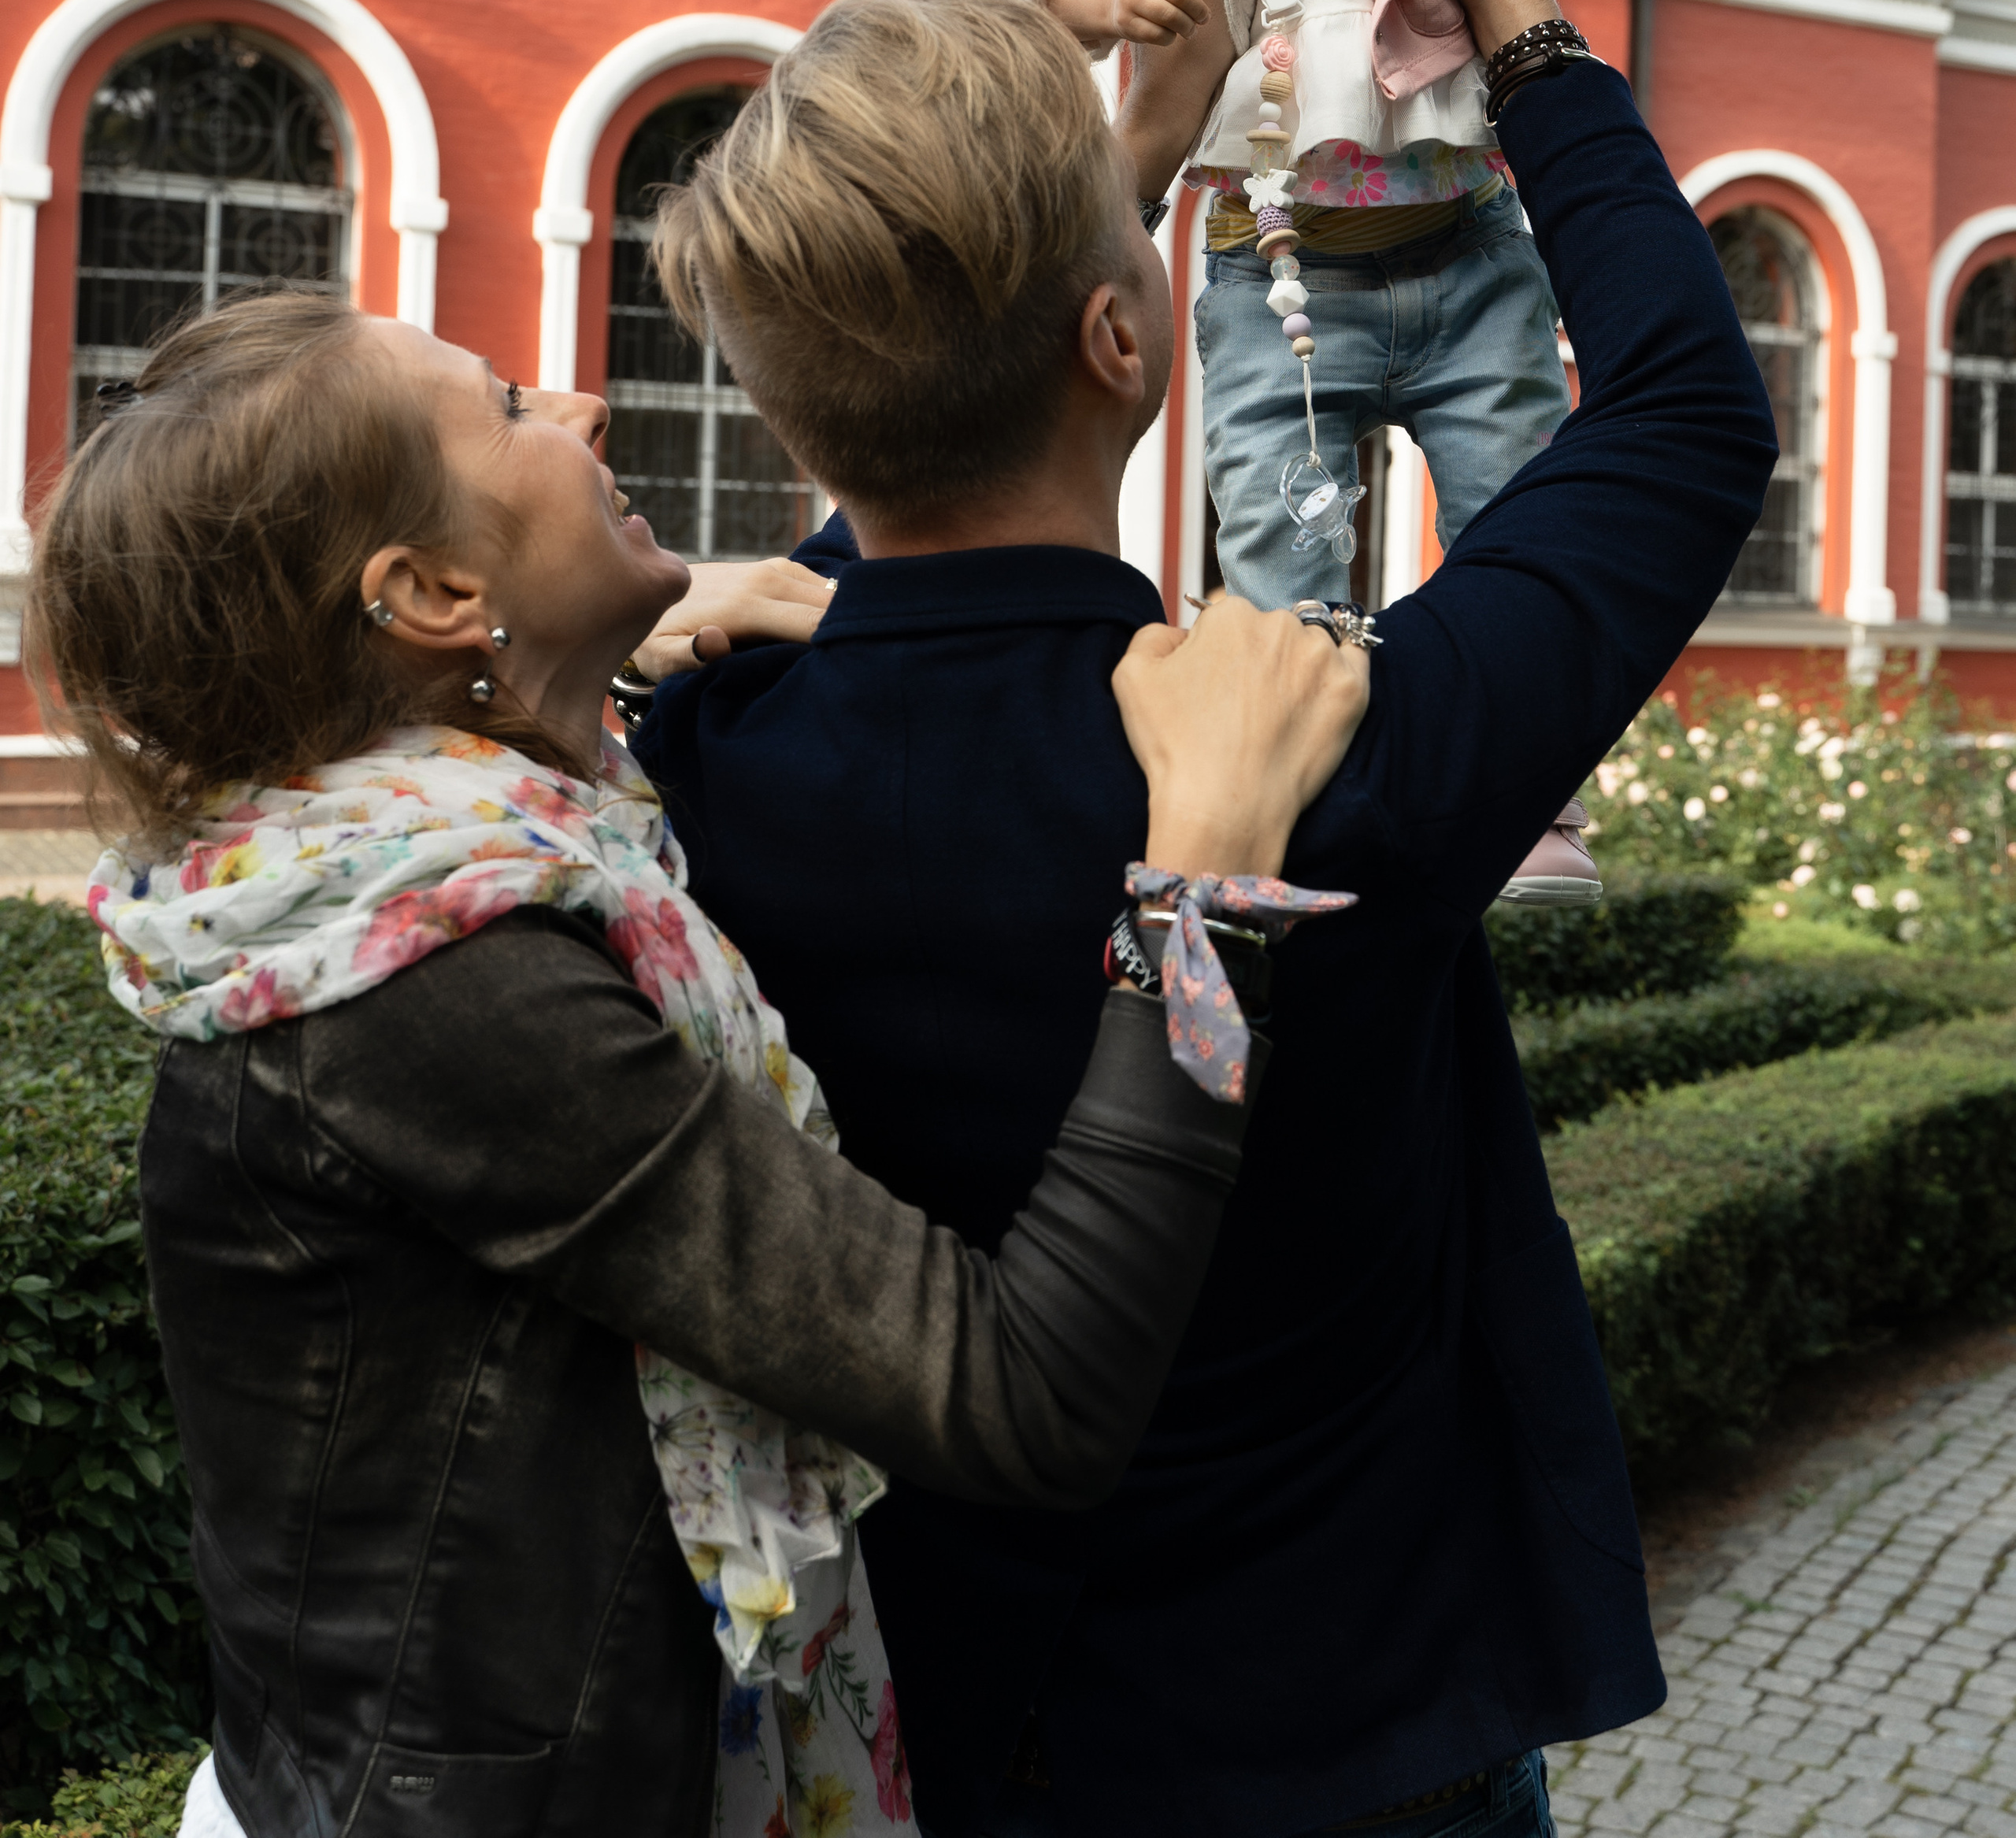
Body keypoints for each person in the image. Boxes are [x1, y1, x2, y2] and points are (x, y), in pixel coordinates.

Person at [633, 0, 1779, 1838]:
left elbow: (902, 459)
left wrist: (1123, 175)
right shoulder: (1315, 750)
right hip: (1354, 1740)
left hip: (949, 1737)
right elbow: (1689, 418)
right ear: (1131, 344)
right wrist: (1525, 29)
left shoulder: (706, 751)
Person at [24, 292, 1364, 1838]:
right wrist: (1201, 880)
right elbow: (1023, 1391)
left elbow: (951, 452)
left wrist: (563, 653)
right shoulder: (448, 991)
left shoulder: (411, 847)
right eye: (516, 407)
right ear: (436, 591)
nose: (584, 408)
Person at [1006, 0, 1704, 903]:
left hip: (1470, 252)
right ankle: (1290, 805)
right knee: (1279, 534)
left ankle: (1534, 807)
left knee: (1517, 515)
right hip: (1281, 272)